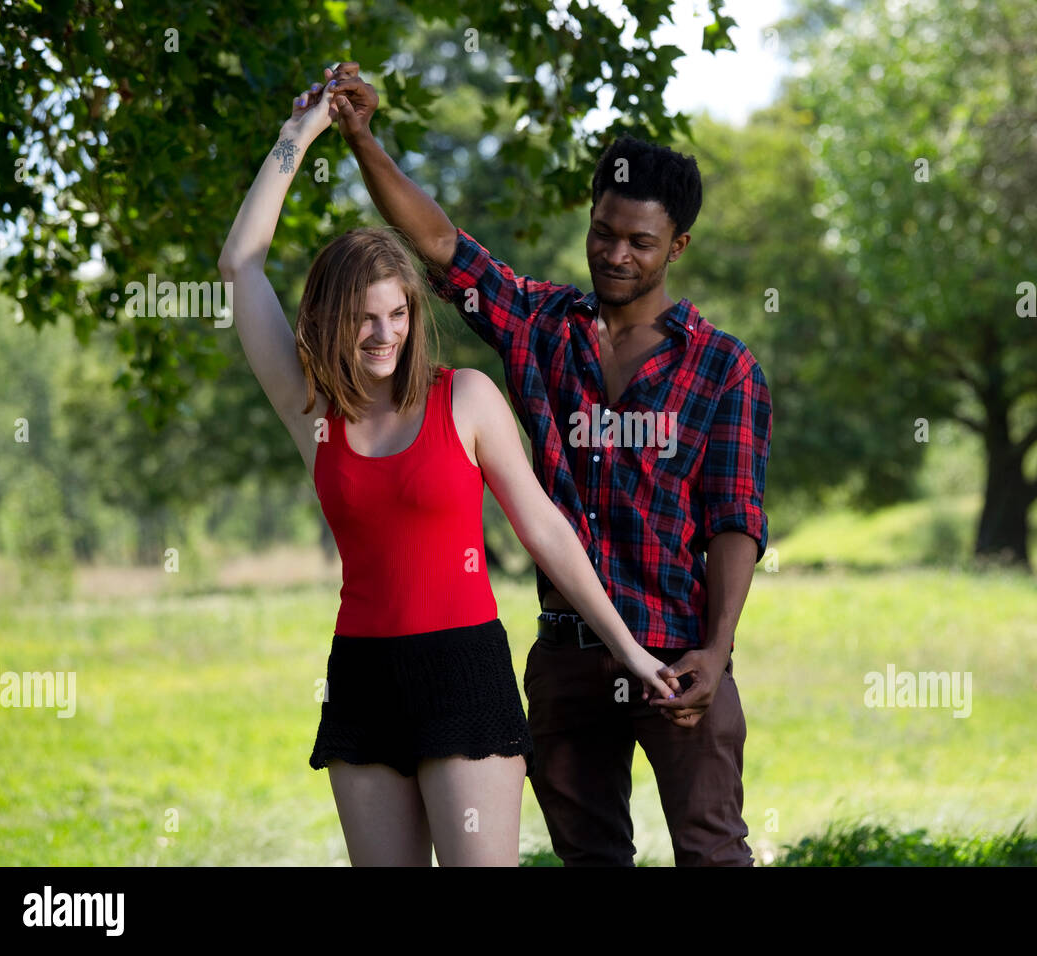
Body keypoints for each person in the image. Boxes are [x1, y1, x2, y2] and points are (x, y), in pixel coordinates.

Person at [316, 62, 772, 866]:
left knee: (712, 852)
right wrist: (360, 138)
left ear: (679, 246)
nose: (616, 253)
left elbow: (736, 521)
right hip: (565, 658)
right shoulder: (542, 327)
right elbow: (440, 246)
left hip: (676, 657)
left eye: (640, 241)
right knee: (588, 857)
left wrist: (717, 646)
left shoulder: (723, 369)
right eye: (604, 231)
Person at [216, 77, 681, 867]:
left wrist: (630, 649)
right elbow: (238, 264)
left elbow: (543, 528)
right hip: (362, 676)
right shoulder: (314, 412)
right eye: (364, 317)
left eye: (398, 314)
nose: (384, 334)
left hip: (463, 671)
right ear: (330, 320)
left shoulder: (465, 399)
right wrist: (301, 133)